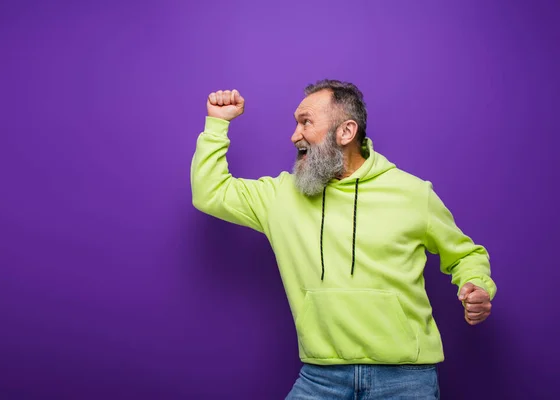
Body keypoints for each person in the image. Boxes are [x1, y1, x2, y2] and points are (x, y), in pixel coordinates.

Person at [190, 80, 496, 399]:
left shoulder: (413, 193)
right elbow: (210, 193)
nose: (295, 135)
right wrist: (217, 124)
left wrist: (476, 284)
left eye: (306, 122)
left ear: (346, 132)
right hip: (320, 378)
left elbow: (464, 255)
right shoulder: (279, 197)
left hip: (406, 378)